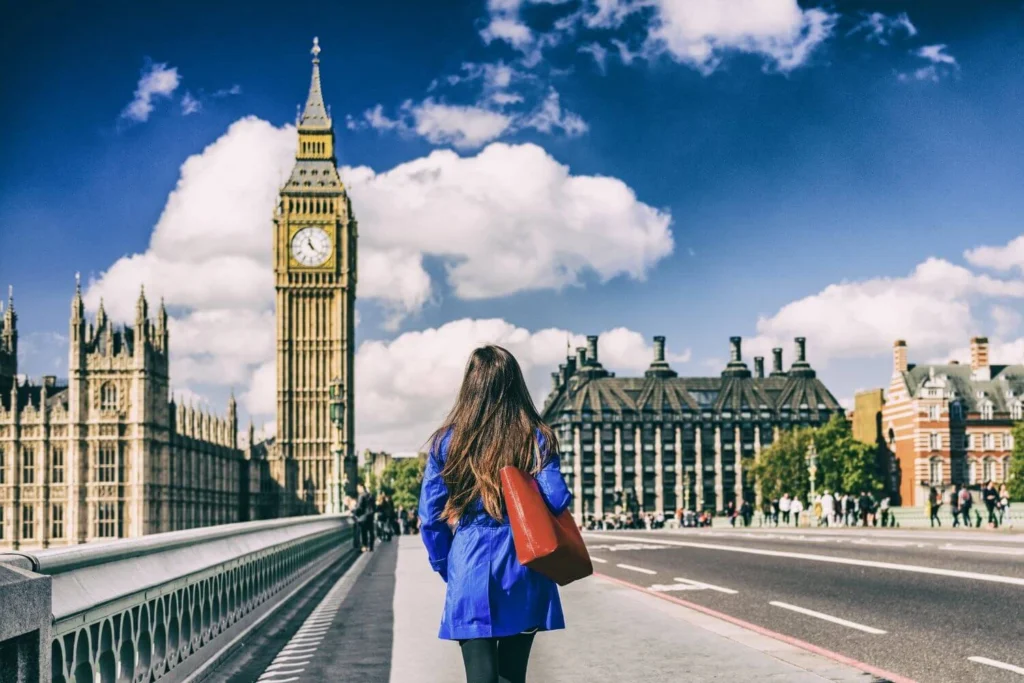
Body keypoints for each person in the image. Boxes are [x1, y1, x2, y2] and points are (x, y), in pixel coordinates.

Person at [418, 345, 572, 683]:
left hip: (470, 561)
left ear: (470, 386)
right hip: (524, 565)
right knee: (513, 677)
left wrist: (446, 565)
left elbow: (430, 518)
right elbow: (558, 499)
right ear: (515, 384)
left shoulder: (447, 442)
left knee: (480, 678)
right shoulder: (536, 437)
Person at [355, 483, 377, 551]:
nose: (357, 490)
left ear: (361, 487)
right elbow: (374, 506)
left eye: (358, 488)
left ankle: (365, 545)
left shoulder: (361, 495)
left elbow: (359, 507)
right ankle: (371, 546)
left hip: (363, 516)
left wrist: (355, 513)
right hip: (370, 515)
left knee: (363, 532)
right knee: (371, 531)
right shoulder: (371, 495)